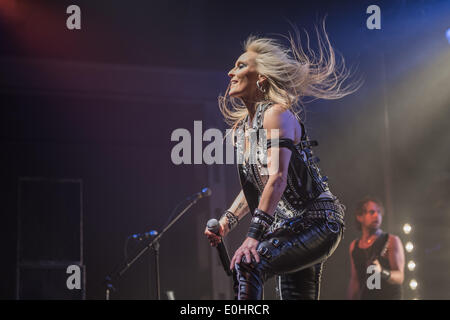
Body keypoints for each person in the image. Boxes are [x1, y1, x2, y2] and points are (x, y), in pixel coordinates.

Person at [205, 21, 359, 300]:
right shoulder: (242, 132)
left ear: (261, 77)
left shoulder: (276, 114)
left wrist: (253, 236)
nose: (231, 72)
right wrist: (229, 220)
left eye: (240, 66)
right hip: (288, 228)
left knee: (248, 261)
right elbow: (259, 182)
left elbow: (277, 178)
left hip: (318, 223)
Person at [347, 197, 405, 300]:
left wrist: (382, 272)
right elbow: (355, 281)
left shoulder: (391, 241)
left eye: (379, 212)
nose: (376, 216)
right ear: (360, 216)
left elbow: (400, 277)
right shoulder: (354, 246)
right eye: (372, 212)